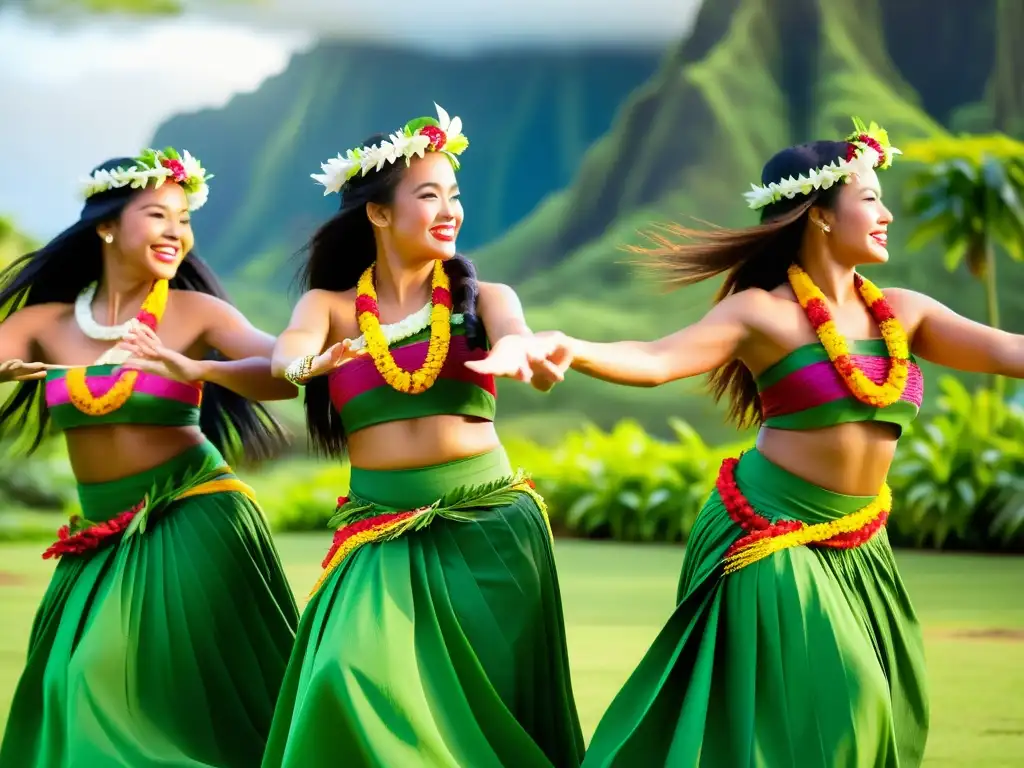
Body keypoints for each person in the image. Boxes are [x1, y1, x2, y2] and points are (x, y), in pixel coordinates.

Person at [469, 117, 1021, 766]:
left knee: (887, 711)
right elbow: (655, 359)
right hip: (769, 536)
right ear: (818, 214)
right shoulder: (762, 314)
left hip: (860, 544)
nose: (887, 213)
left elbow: (1011, 351)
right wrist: (574, 348)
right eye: (870, 198)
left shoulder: (904, 312)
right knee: (855, 696)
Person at [263, 104, 584, 768]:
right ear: (379, 213)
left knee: (485, 723)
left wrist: (526, 357)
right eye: (429, 194)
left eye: (454, 194)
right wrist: (307, 366)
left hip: (491, 527)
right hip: (379, 531)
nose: (450, 209)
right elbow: (284, 355)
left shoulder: (487, 297)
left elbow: (521, 340)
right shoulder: (327, 307)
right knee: (346, 674)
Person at [0, 148, 301, 768]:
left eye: (184, 218)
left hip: (192, 518)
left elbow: (283, 372)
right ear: (107, 224)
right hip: (98, 541)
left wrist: (197, 367)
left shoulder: (196, 314)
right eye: (158, 214)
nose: (177, 232)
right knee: (69, 687)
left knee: (98, 685)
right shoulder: (46, 323)